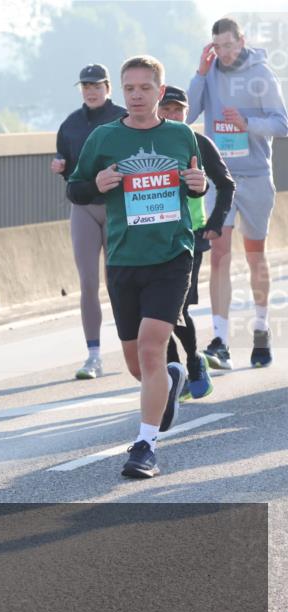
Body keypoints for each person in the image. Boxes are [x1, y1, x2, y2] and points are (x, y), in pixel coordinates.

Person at [67, 55, 208, 479]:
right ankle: (170, 378)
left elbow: (196, 183)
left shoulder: (182, 136)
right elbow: (76, 188)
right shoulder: (103, 139)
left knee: (150, 347)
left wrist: (199, 186)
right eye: (130, 89)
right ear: (122, 92)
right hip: (124, 259)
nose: (137, 96)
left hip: (171, 256)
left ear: (160, 93)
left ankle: (145, 445)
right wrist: (97, 185)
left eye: (146, 88)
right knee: (137, 364)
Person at [187, 17, 288, 369]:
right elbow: (187, 114)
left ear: (241, 41)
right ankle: (220, 340)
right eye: (218, 47)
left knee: (255, 255)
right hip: (220, 177)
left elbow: (282, 123)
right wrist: (200, 73)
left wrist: (248, 124)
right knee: (218, 253)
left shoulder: (262, 75)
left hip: (256, 175)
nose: (225, 53)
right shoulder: (210, 73)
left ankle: (261, 330)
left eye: (229, 46)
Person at [157, 85, 236, 401]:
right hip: (150, 237)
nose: (173, 115)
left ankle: (189, 362)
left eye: (179, 110)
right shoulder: (145, 142)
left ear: (187, 113)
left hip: (190, 237)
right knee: (155, 311)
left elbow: (226, 184)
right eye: (167, 109)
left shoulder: (197, 142)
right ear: (157, 109)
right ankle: (177, 370)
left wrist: (215, 223)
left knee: (177, 307)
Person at [51, 64, 127, 379]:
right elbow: (70, 170)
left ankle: (132, 346)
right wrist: (60, 167)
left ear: (108, 88)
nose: (91, 91)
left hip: (117, 207)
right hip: (82, 207)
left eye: (96, 85)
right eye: (85, 86)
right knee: (87, 283)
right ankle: (93, 355)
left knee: (118, 282)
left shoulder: (122, 118)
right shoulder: (70, 124)